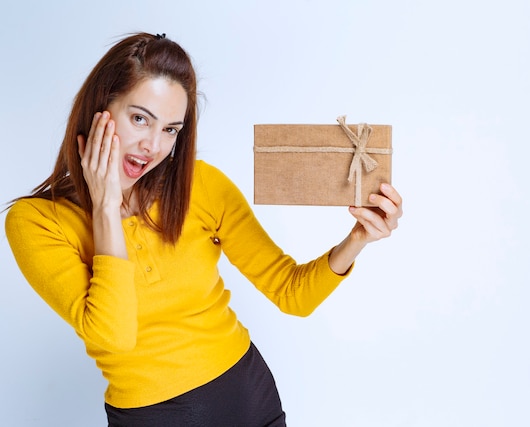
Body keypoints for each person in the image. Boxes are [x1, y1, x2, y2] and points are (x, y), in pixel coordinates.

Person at [4, 32, 402, 426]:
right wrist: (106, 205)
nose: (152, 146)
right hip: (151, 415)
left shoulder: (198, 184)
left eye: (170, 129)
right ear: (100, 109)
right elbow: (114, 337)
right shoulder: (36, 222)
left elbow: (290, 293)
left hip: (248, 393)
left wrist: (357, 239)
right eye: (140, 118)